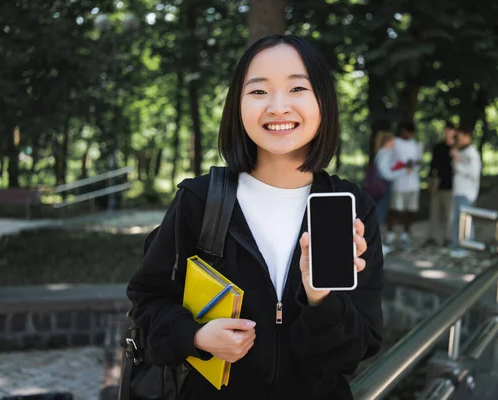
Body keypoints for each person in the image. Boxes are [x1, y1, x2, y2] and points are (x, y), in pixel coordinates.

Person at [127, 35, 383, 400]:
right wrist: (196, 336)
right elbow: (147, 300)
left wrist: (320, 300)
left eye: (297, 88)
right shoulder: (201, 200)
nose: (278, 107)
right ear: (237, 105)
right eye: (259, 92)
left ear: (323, 101)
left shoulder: (351, 208)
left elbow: (358, 350)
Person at [385, 121, 421, 252]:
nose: (409, 135)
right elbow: (388, 161)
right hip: (398, 183)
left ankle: (405, 236)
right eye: (407, 132)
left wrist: (414, 165)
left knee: (409, 211)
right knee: (395, 210)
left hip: (412, 183)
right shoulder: (395, 143)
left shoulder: (415, 144)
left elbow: (418, 161)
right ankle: (389, 236)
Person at [422, 122, 456, 248]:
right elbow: (433, 166)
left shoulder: (456, 148)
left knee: (448, 215)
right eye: (446, 131)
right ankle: (432, 237)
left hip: (450, 185)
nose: (447, 133)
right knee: (434, 212)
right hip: (437, 183)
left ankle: (447, 238)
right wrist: (430, 182)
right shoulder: (438, 147)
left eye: (450, 131)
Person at [449, 127, 482, 258]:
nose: (459, 140)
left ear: (467, 137)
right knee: (458, 219)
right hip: (459, 191)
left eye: (460, 137)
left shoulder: (472, 154)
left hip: (466, 192)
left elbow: (473, 174)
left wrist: (457, 164)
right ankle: (457, 243)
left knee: (465, 219)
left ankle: (467, 245)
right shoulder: (462, 152)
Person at [372, 131, 406, 227]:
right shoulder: (384, 153)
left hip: (384, 185)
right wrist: (402, 171)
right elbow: (386, 174)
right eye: (393, 141)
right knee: (380, 211)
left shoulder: (385, 153)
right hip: (384, 185)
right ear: (388, 141)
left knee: (381, 210)